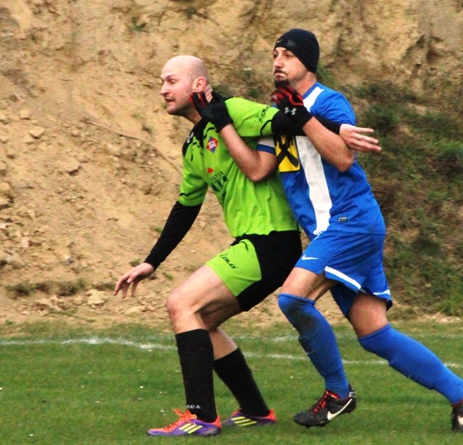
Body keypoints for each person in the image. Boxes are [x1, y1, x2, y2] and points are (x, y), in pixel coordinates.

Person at [194, 28, 463, 432]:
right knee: (375, 334)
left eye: (287, 55)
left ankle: (337, 392)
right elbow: (258, 169)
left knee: (292, 298)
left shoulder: (329, 102)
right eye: (274, 54)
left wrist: (304, 118)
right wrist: (224, 123)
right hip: (335, 231)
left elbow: (342, 158)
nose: (277, 61)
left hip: (350, 221)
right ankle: (461, 395)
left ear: (308, 63)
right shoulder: (278, 114)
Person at [114, 54, 306, 437]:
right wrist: (151, 262)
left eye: (171, 81)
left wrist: (337, 128)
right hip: (256, 244)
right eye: (162, 82)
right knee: (202, 321)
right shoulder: (194, 145)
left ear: (198, 85)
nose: (163, 90)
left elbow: (290, 122)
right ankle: (256, 410)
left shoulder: (233, 111)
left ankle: (201, 417)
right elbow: (186, 207)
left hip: (271, 241)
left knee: (181, 304)